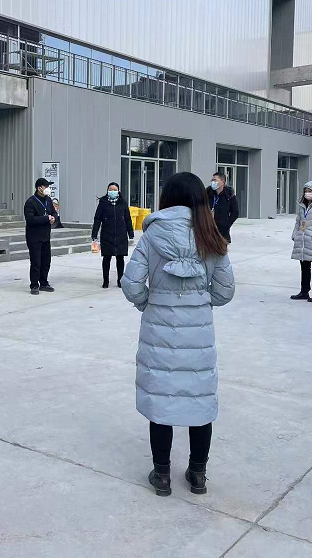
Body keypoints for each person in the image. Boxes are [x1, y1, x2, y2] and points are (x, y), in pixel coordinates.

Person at [121, 172, 235, 497]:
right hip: (198, 333)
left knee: (162, 402)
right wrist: (201, 302)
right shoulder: (211, 236)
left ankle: (162, 475)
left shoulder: (151, 236)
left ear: (167, 198)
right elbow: (225, 291)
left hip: (159, 328)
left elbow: (131, 284)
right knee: (199, 400)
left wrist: (148, 302)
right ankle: (198, 474)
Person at [92, 182, 134, 288]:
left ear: (118, 191)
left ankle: (120, 280)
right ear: (107, 191)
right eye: (111, 190)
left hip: (121, 234)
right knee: (107, 258)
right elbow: (97, 218)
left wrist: (130, 232)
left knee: (120, 258)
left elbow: (128, 218)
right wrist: (94, 233)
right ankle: (105, 280)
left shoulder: (123, 203)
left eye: (115, 190)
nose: (113, 191)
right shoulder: (103, 203)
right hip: (107, 234)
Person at [24, 177, 56, 295]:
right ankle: (34, 285)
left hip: (45, 236)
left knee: (46, 261)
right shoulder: (31, 202)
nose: (48, 188)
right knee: (36, 262)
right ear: (39, 188)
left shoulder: (48, 200)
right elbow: (30, 219)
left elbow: (53, 212)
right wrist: (46, 218)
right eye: (46, 186)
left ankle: (44, 282)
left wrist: (53, 218)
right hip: (34, 237)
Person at [206, 172, 240, 243]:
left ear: (222, 182)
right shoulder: (207, 194)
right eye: (212, 180)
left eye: (215, 180)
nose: (212, 182)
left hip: (222, 231)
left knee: (221, 249)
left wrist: (226, 224)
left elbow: (235, 212)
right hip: (208, 229)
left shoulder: (229, 196)